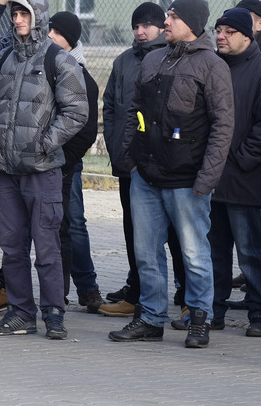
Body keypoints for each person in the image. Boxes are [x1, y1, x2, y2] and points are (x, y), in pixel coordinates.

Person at [109, 0, 234, 348]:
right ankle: (150, 318)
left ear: (191, 22)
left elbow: (223, 126)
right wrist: (129, 158)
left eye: (174, 16)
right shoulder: (153, 59)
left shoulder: (212, 65)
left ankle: (198, 319)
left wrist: (206, 179)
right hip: (145, 177)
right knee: (146, 252)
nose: (166, 21)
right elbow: (134, 111)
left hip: (188, 181)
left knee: (195, 254)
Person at [0, 0, 87, 339]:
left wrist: (44, 142)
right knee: (11, 246)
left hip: (42, 171)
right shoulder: (4, 57)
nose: (19, 19)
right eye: (15, 13)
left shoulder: (59, 59)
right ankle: (20, 312)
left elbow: (77, 112)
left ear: (38, 16)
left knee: (47, 248)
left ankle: (54, 312)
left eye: (25, 13)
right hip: (7, 172)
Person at [97, 2, 187, 319]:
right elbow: (110, 107)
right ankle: (136, 291)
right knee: (135, 233)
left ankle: (188, 295)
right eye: (136, 26)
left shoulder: (174, 57)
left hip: (168, 166)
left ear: (161, 26)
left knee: (178, 234)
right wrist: (115, 145)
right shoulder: (123, 62)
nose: (140, 31)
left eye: (146, 25)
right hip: (129, 164)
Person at [208, 8, 261, 336]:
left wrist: (241, 159)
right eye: (218, 29)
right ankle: (211, 312)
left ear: (247, 35)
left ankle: (258, 314)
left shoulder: (258, 69)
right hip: (212, 181)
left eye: (228, 31)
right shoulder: (213, 67)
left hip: (246, 181)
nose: (220, 36)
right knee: (213, 254)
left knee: (251, 254)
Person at [47, 11, 103, 313]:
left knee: (70, 225)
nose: (48, 36)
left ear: (68, 41)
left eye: (55, 32)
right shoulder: (40, 67)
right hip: (41, 161)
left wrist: (63, 161)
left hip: (64, 163)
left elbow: (85, 131)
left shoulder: (82, 78)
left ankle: (83, 288)